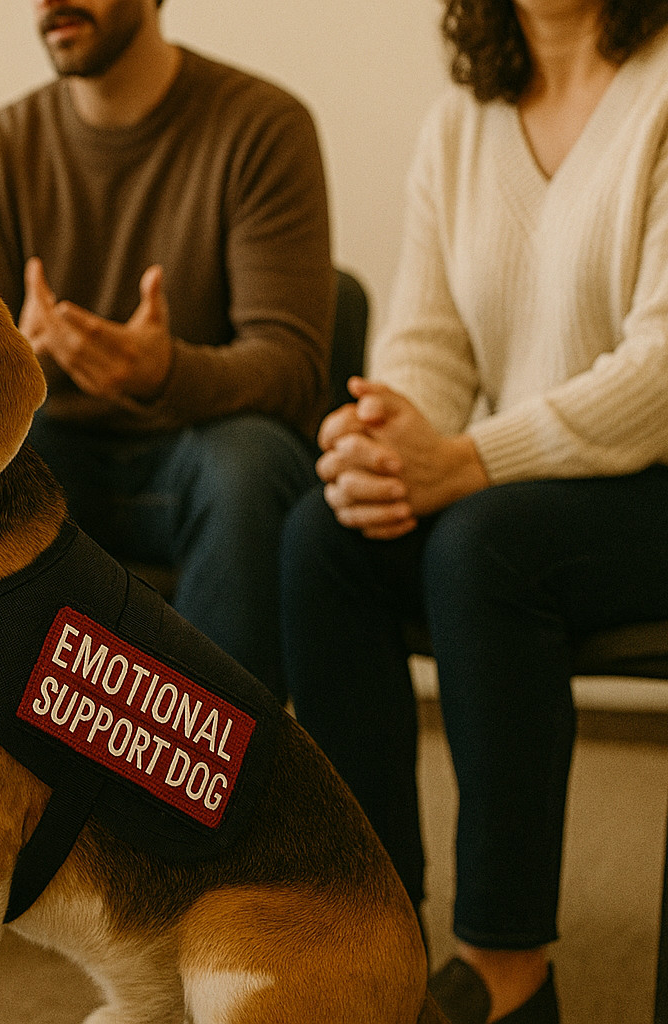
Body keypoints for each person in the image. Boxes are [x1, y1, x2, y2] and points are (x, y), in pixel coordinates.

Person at [279, 0, 668, 1020]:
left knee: (483, 548)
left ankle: (508, 969)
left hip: (649, 484)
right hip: (522, 484)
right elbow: (430, 344)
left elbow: (663, 370)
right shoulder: (462, 120)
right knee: (325, 535)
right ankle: (373, 933)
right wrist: (384, 440)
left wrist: (465, 460)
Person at [0, 0, 334, 705]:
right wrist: (17, 362)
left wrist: (165, 373)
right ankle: (18, 759)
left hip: (204, 454)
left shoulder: (263, 126)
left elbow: (292, 367)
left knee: (247, 466)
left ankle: (217, 760)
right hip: (60, 452)